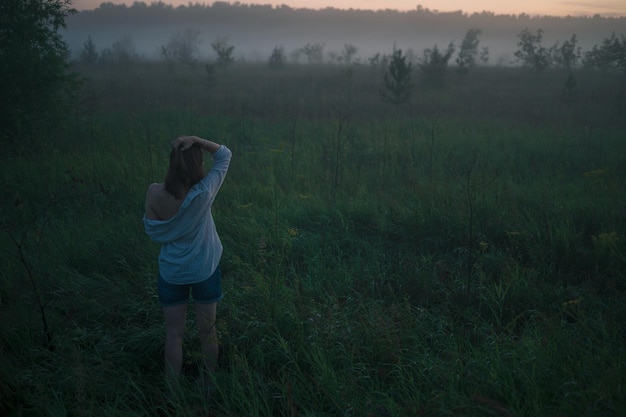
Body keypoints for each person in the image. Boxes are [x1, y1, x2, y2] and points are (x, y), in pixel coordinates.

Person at [143, 135, 232, 386]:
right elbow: (225, 154)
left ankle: (173, 392)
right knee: (208, 332)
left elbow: (153, 232)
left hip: (172, 273)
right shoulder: (203, 192)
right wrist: (198, 141)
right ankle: (208, 386)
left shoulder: (154, 192)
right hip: (204, 269)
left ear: (172, 162)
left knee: (173, 335)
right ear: (197, 163)